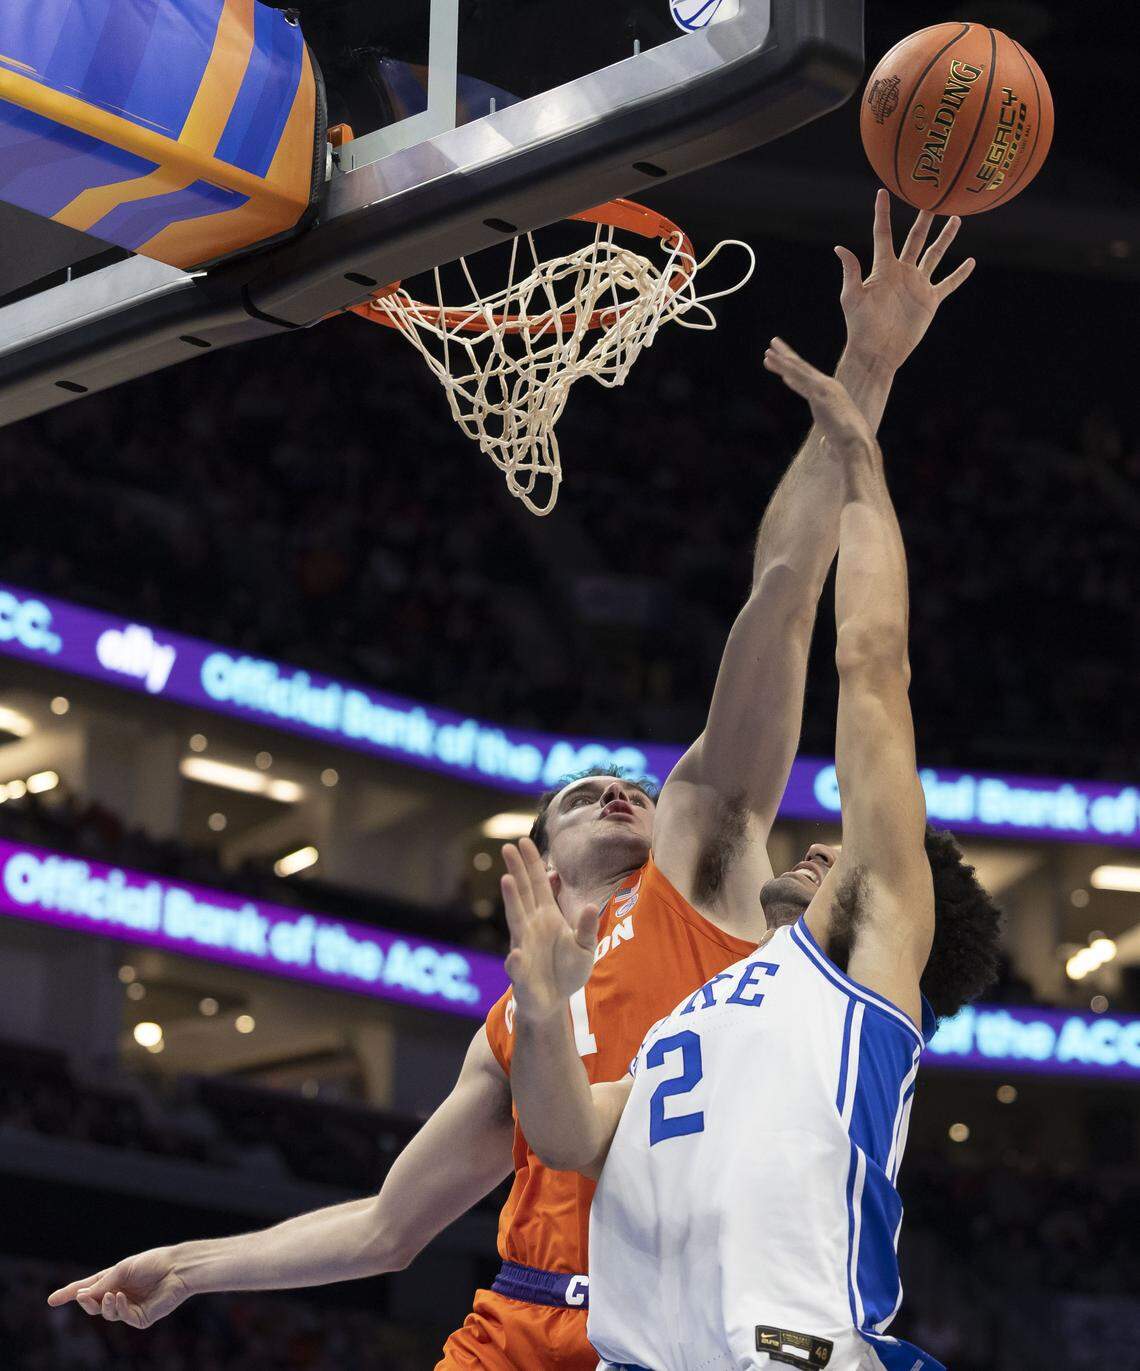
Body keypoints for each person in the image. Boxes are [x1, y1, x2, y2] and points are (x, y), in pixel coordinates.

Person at [46, 195, 976, 1371]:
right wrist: (186, 1266)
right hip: (518, 1326)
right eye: (586, 789)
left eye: (632, 783)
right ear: (533, 847)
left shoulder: (706, 864)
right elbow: (389, 1228)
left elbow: (787, 600)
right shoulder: (514, 1017)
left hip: (678, 1330)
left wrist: (866, 371)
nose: (620, 791)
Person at [502, 340, 1003, 1371]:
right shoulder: (709, 1003)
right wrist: (547, 1014)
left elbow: (869, 663)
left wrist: (863, 470)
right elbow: (566, 1136)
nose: (823, 843)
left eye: (844, 856)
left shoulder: (864, 978)